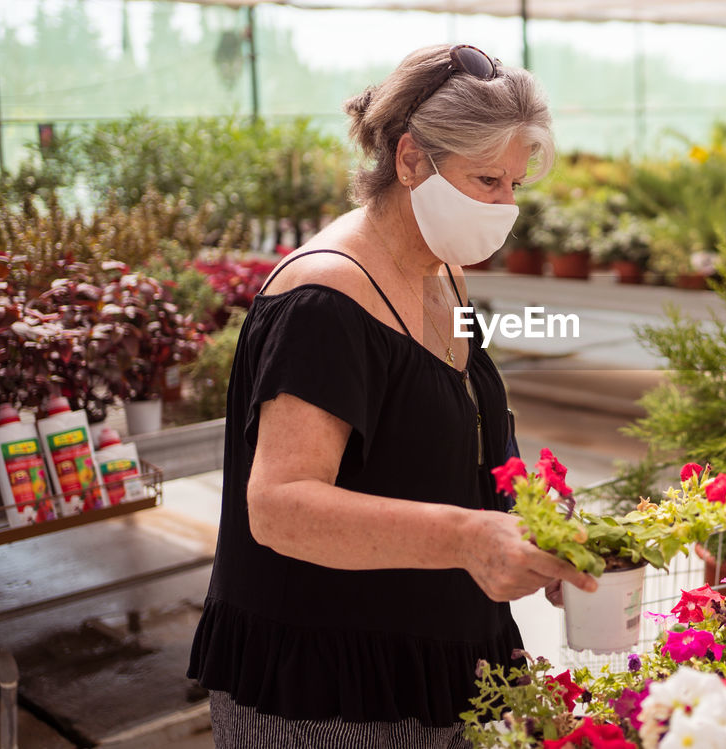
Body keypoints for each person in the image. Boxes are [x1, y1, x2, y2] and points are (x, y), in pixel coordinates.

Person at [187, 44, 597, 747]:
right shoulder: (324, 301)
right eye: (487, 180)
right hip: (331, 690)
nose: (506, 207)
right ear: (411, 160)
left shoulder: (446, 273)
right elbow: (279, 506)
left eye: (515, 185)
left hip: (444, 667)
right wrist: (470, 537)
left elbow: (467, 430)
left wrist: (535, 520)